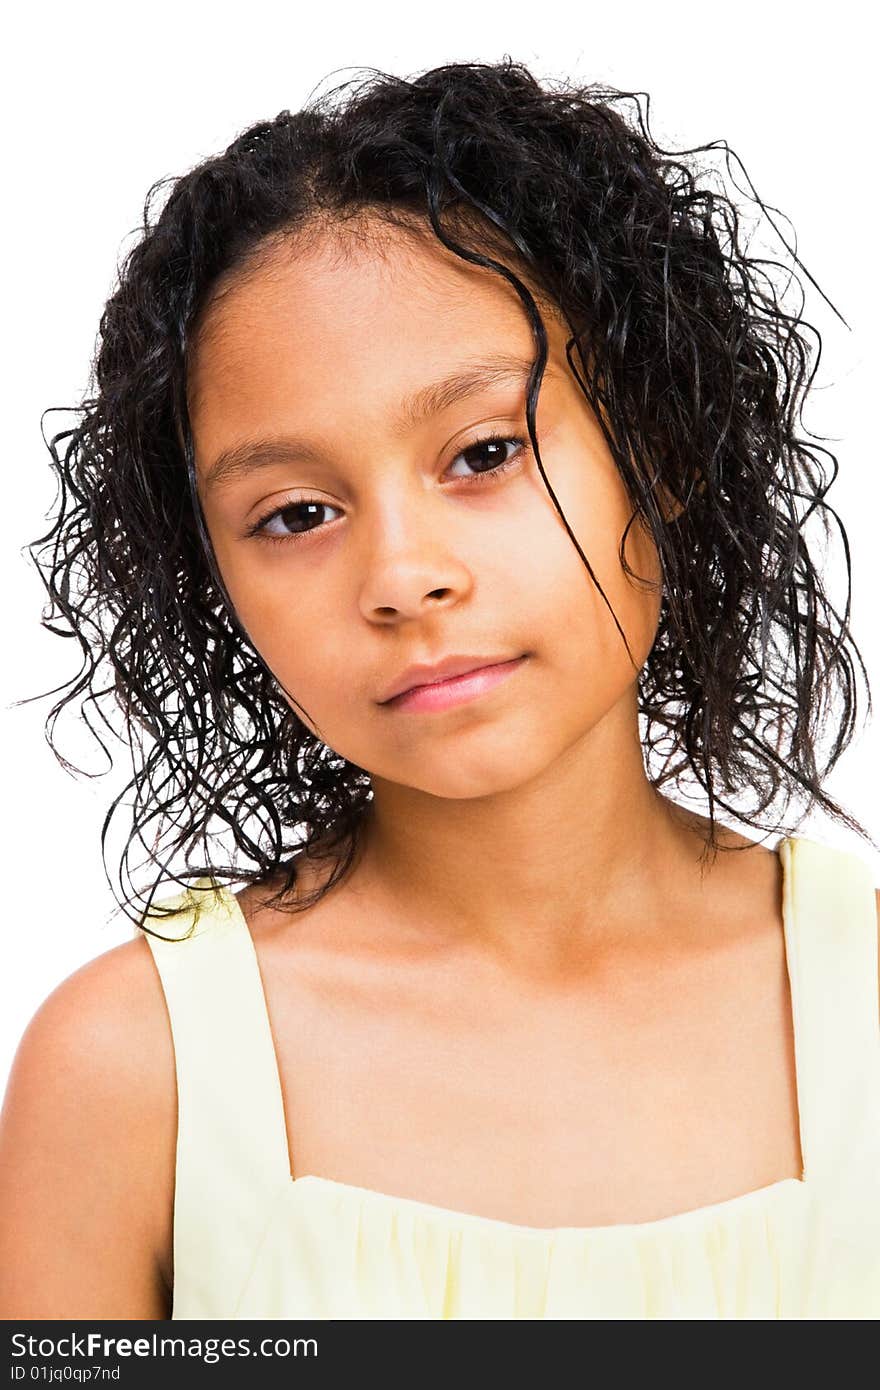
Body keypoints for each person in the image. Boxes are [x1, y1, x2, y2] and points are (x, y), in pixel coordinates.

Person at [1, 58, 878, 1321]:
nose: (402, 578)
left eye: (482, 452)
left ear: (662, 445)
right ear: (217, 581)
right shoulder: (134, 1074)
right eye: (295, 513)